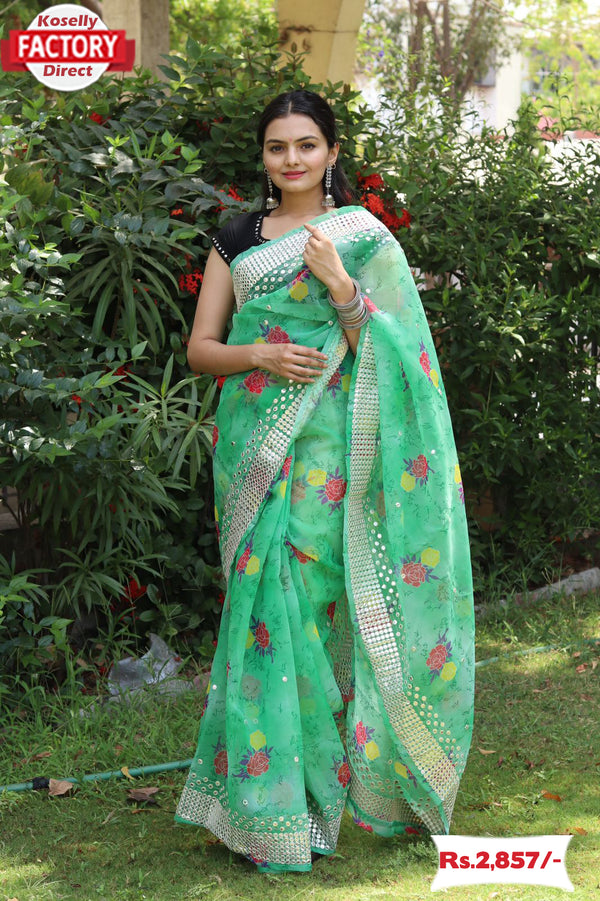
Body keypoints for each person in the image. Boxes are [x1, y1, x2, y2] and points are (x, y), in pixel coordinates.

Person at [174, 89, 474, 873]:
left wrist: (341, 286)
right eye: (278, 147)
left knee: (307, 608)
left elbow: (399, 347)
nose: (293, 159)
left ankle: (311, 796)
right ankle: (269, 807)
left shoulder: (362, 238)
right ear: (264, 157)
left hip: (336, 453)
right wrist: (261, 354)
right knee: (262, 609)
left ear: (332, 152)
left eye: (307, 145)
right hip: (254, 450)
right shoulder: (238, 239)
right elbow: (202, 348)